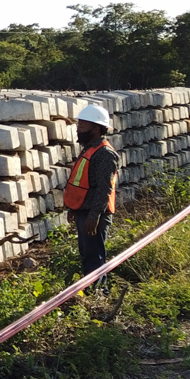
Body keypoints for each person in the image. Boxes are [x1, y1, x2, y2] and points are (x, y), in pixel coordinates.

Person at [64, 103, 119, 289]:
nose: (78, 129)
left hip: (95, 214)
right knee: (87, 254)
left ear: (95, 128)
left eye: (82, 125)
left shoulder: (105, 154)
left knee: (94, 256)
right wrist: (74, 208)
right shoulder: (89, 149)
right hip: (84, 211)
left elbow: (104, 189)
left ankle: (98, 294)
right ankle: (92, 291)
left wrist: (94, 216)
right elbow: (84, 183)